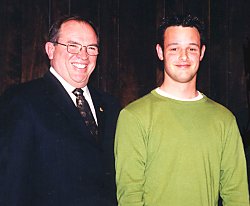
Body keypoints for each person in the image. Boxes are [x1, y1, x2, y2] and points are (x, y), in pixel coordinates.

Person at [114, 14, 249, 205]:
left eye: (191, 49)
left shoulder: (224, 119)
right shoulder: (134, 116)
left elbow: (237, 196)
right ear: (160, 52)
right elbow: (130, 197)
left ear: (202, 52)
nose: (183, 57)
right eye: (174, 48)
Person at [0, 15, 120, 206]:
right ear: (50, 49)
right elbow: (10, 182)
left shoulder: (110, 105)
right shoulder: (23, 100)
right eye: (72, 46)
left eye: (91, 48)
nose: (83, 56)